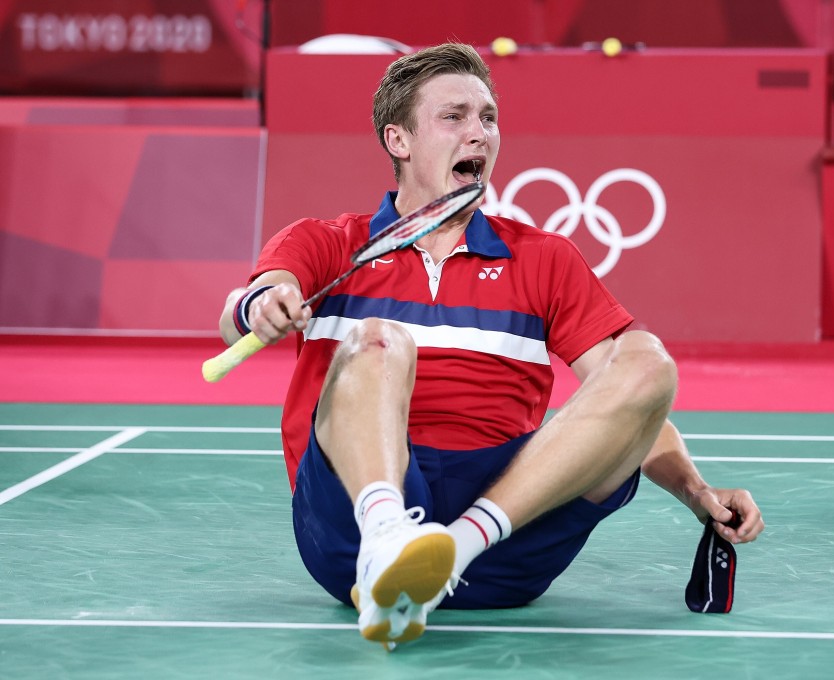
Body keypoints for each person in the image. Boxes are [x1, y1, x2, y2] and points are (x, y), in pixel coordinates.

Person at [216, 42, 764, 646]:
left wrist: (696, 490)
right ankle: (388, 542)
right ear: (398, 140)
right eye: (454, 117)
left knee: (647, 360)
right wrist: (262, 305)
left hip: (507, 532)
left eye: (488, 118)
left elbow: (631, 403)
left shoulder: (544, 259)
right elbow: (253, 299)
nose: (479, 134)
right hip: (352, 529)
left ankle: (447, 553)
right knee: (377, 340)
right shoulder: (326, 243)